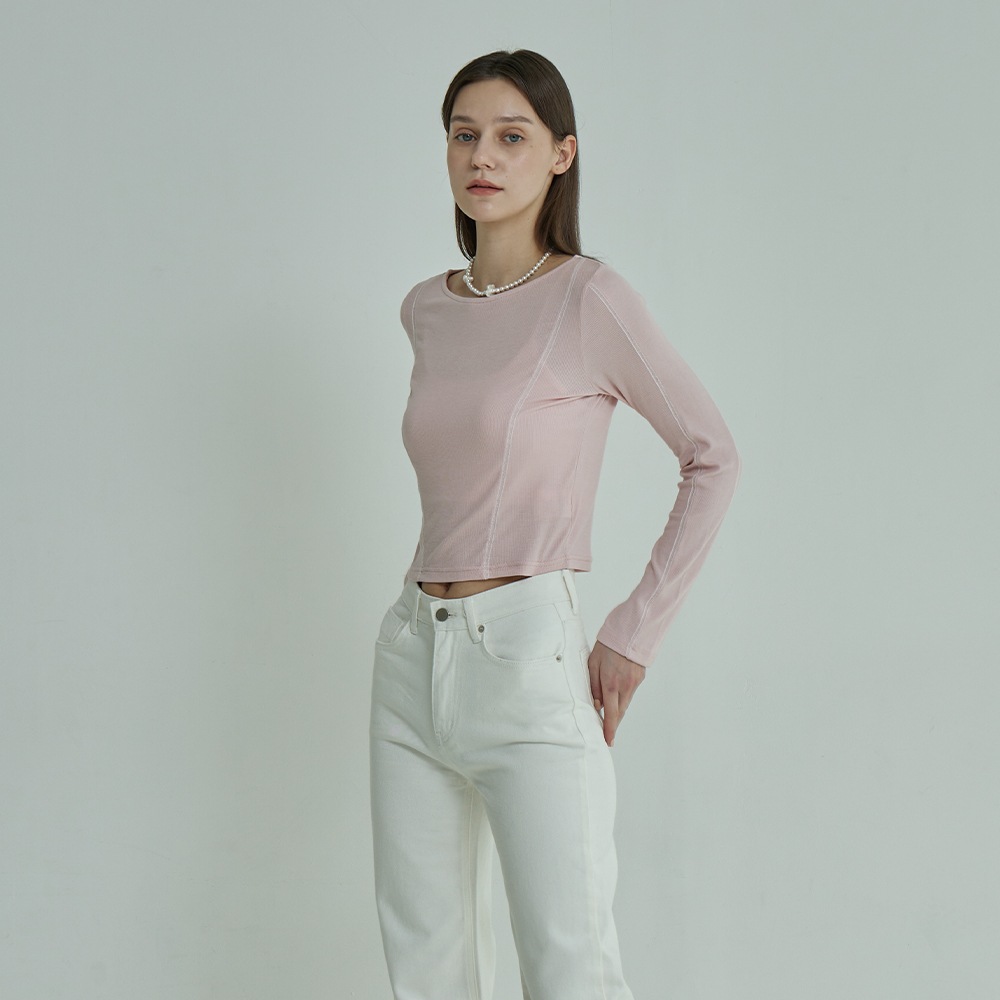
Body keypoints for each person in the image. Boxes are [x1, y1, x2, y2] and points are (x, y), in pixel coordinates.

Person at [369, 49, 740, 1000]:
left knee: (569, 967)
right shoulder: (425, 309)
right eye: (464, 135)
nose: (481, 157)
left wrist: (633, 632)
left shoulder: (589, 297)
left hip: (528, 657)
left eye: (511, 136)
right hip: (410, 654)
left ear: (562, 154)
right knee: (425, 971)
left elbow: (712, 457)